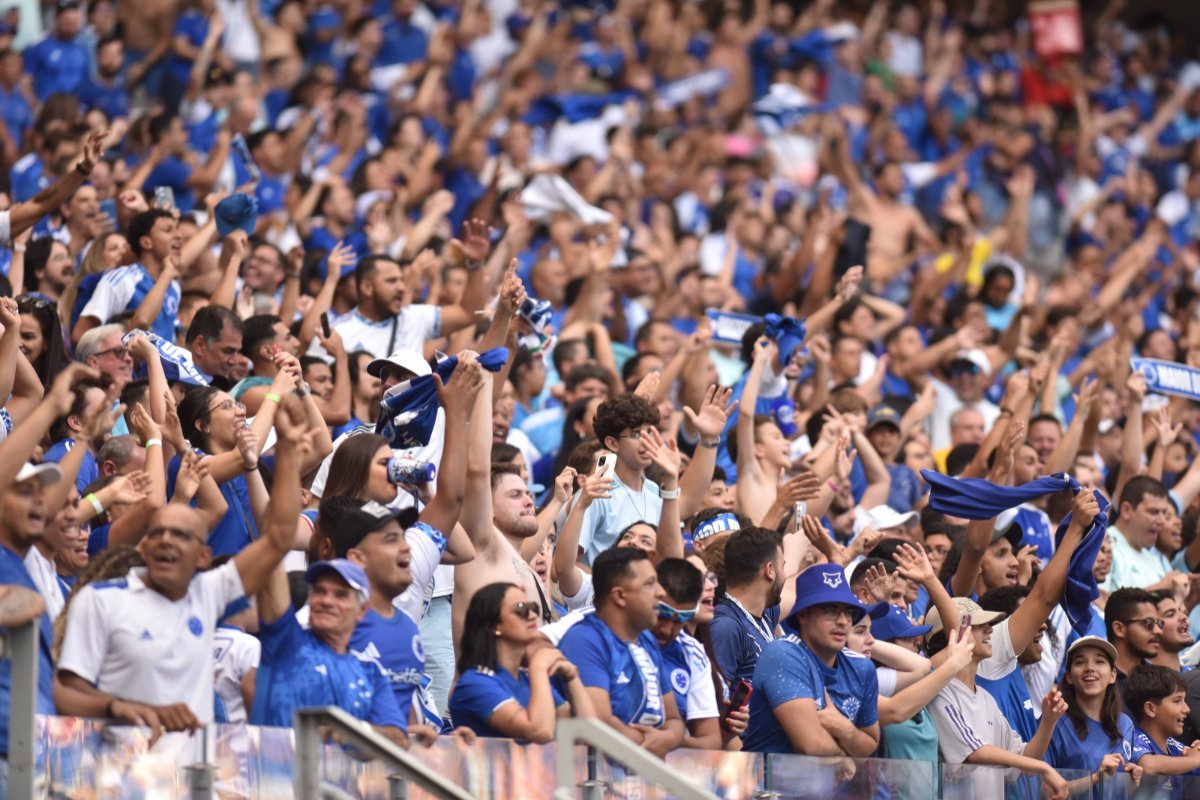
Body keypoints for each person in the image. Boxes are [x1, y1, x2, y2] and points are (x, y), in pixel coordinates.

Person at [54, 396, 308, 739]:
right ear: (145, 544)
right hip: (120, 778)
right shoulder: (100, 599)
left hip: (191, 779)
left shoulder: (208, 592)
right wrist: (116, 707)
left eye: (180, 535)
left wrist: (289, 451)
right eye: (157, 532)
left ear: (203, 556)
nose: (166, 541)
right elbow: (63, 692)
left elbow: (277, 537)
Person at [250, 558, 407, 745]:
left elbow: (399, 739)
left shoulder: (371, 673)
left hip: (341, 774)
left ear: (362, 610)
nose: (326, 601)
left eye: (340, 595)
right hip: (273, 773)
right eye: (319, 591)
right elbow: (274, 553)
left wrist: (351, 731)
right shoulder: (286, 643)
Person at [557, 548, 686, 757]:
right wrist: (649, 745)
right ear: (619, 596)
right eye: (649, 584)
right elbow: (600, 723)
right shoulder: (584, 640)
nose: (661, 593)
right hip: (595, 778)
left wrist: (668, 739)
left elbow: (673, 719)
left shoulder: (647, 641)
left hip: (641, 778)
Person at [448, 581, 595, 741]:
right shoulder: (475, 682)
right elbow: (539, 732)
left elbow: (587, 733)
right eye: (520, 609)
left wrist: (572, 678)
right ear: (493, 625)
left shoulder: (527, 678)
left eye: (533, 608)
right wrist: (538, 667)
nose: (532, 615)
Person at [1046, 636, 1142, 785]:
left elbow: (1123, 789)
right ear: (1069, 677)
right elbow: (1042, 791)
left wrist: (1133, 779)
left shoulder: (1126, 723)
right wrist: (1096, 778)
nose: (1090, 667)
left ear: (1113, 675)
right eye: (1080, 662)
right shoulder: (1053, 722)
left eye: (1099, 661)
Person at [710, 526, 782, 687]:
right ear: (770, 571)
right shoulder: (725, 627)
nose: (784, 575)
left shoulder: (766, 614)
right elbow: (715, 701)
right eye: (782, 567)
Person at [1127, 664, 1200, 776]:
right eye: (1177, 701)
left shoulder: (1174, 745)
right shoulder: (1133, 738)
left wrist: (1196, 752)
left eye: (1184, 700)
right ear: (1150, 709)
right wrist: (1195, 760)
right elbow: (1148, 765)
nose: (1187, 709)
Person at [1106, 587, 1164, 694]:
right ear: (1119, 629)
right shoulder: (1097, 679)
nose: (1158, 631)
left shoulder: (1161, 680)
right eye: (1148, 623)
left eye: (1159, 624)